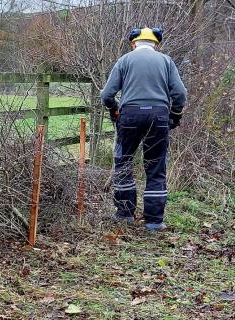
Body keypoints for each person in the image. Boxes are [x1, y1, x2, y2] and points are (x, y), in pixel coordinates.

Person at [100, 27, 187, 231]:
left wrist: (114, 109)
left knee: (123, 162)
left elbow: (106, 95)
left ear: (133, 43)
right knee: (156, 166)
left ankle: (124, 214)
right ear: (156, 44)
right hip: (159, 116)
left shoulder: (124, 60)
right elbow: (180, 93)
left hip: (129, 115)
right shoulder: (166, 61)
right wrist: (175, 115)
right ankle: (154, 221)